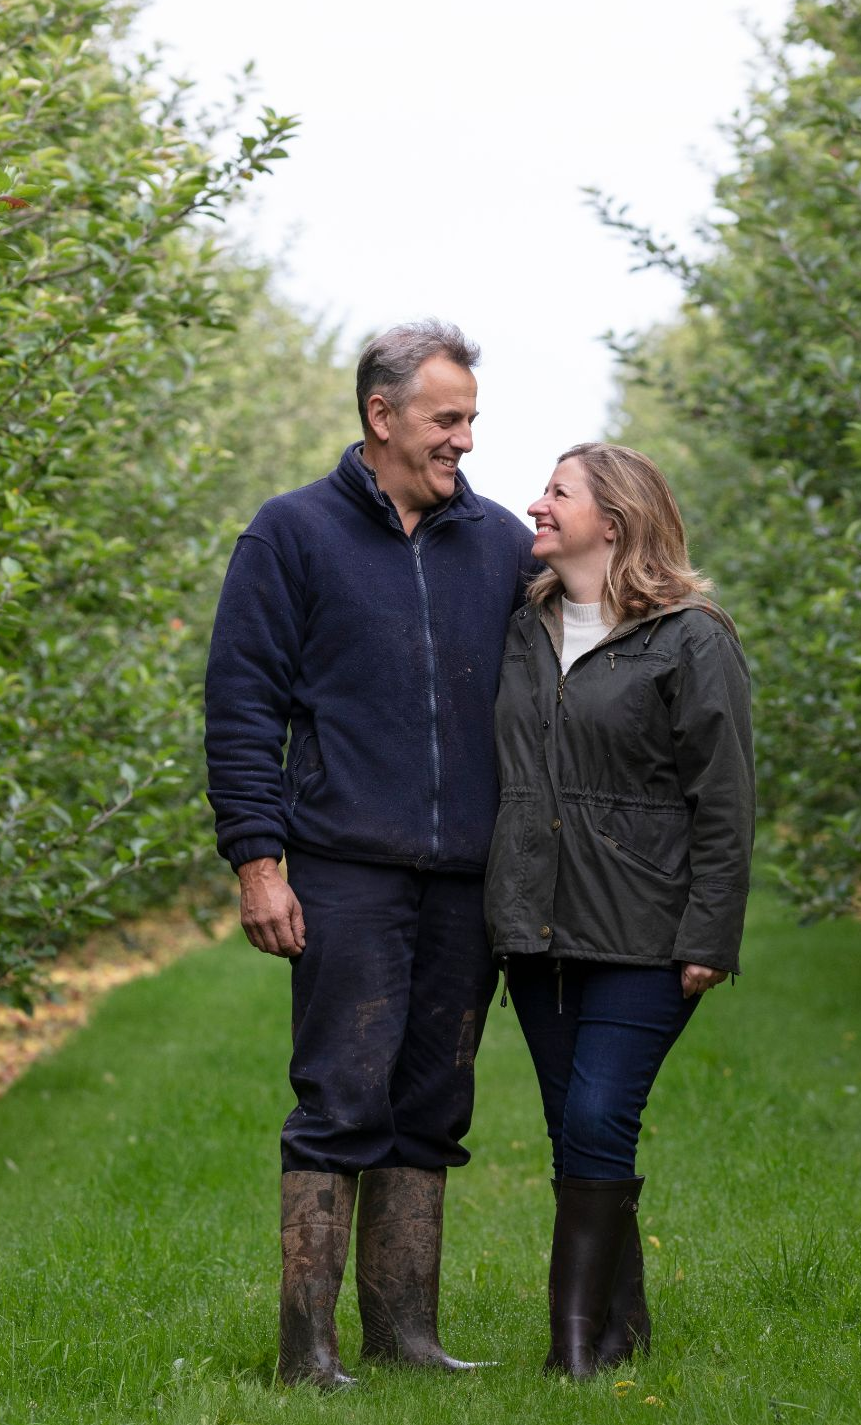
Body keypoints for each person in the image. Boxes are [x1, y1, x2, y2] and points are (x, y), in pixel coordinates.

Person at [204, 320, 536, 1389]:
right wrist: (260, 860)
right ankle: (307, 1355)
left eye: (473, 419)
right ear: (381, 417)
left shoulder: (495, 546)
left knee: (434, 1102)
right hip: (343, 864)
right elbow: (241, 707)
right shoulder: (290, 535)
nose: (467, 442)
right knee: (342, 1097)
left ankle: (408, 1337)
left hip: (465, 876)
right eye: (448, 420)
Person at [484, 442, 755, 1379]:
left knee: (600, 1115)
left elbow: (724, 800)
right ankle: (620, 1326)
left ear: (617, 518)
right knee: (577, 1132)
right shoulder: (525, 627)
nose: (536, 505)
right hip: (539, 929)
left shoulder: (693, 637)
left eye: (557, 493)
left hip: (645, 933)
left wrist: (709, 934)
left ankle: (569, 1357)